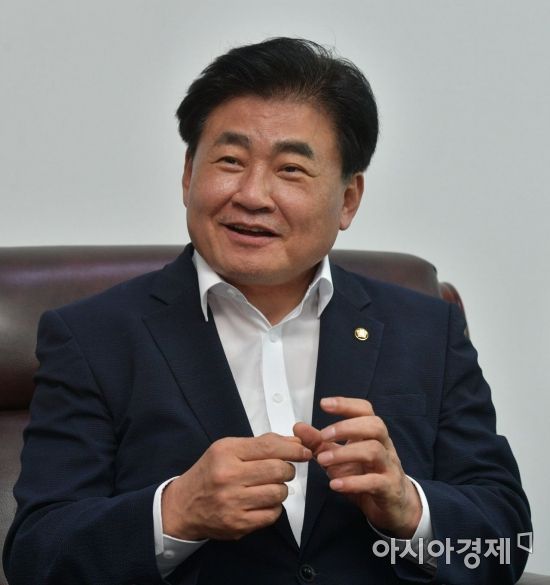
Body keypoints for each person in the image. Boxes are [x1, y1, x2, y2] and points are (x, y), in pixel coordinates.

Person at [3, 37, 531, 585]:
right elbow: (37, 556)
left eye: (291, 169)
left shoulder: (427, 331)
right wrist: (175, 512)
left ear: (348, 199)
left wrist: (409, 506)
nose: (253, 195)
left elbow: (504, 542)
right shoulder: (94, 337)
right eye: (230, 161)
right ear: (188, 174)